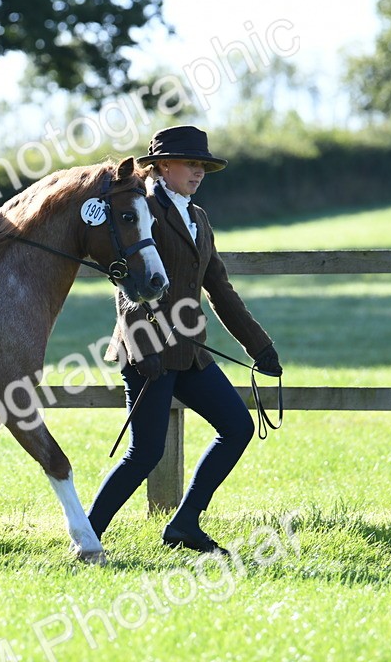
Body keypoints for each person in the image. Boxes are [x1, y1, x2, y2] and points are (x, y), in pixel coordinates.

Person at [88, 124, 282, 554]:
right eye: (190, 164)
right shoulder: (142, 210)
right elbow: (126, 284)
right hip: (149, 355)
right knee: (144, 454)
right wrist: (141, 346)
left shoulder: (198, 218)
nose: (198, 172)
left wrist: (260, 347)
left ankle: (185, 524)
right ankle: (86, 536)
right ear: (161, 166)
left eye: (203, 166)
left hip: (189, 354)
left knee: (237, 427)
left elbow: (221, 290)